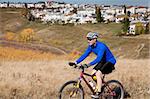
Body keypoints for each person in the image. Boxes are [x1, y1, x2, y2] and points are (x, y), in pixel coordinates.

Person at [71, 32, 116, 98]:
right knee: (92, 74)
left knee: (98, 74)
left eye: (90, 39)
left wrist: (88, 65)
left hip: (110, 61)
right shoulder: (91, 47)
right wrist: (76, 62)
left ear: (95, 39)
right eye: (87, 39)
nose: (88, 41)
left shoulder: (101, 46)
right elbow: (85, 55)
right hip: (103, 61)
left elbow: (98, 59)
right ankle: (100, 85)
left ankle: (99, 92)